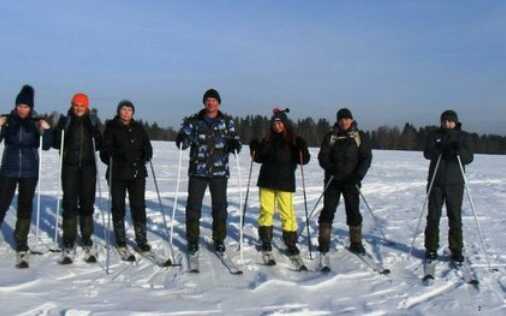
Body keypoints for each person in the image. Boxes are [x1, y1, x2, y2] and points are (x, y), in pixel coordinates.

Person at [175, 88, 241, 261]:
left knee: (220, 207)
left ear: (218, 103)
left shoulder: (227, 122)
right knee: (193, 207)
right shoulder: (194, 121)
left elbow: (235, 139)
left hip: (219, 173)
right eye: (208, 100)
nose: (211, 103)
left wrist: (235, 144)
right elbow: (185, 140)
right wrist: (181, 139)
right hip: (198, 171)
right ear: (204, 103)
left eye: (214, 100)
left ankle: (219, 239)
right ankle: (192, 239)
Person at [249, 108, 310, 266]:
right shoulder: (267, 139)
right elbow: (258, 158)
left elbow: (304, 160)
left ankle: (290, 242)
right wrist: (254, 147)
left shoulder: (293, 140)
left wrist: (303, 147)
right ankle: (266, 241)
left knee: (287, 213)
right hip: (267, 181)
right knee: (266, 211)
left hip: (285, 182)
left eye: (280, 123)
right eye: (275, 123)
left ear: (285, 124)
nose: (277, 126)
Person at [0, 85, 52, 268]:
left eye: (26, 106)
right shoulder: (7, 121)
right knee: (2, 203)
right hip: (8, 169)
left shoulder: (36, 122)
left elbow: (46, 146)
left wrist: (47, 131)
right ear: (16, 106)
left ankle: (21, 240)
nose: (23, 109)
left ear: (31, 108)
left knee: (24, 206)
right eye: (20, 106)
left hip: (30, 171)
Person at [317, 108, 372, 271]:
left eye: (347, 119)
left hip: (351, 181)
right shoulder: (331, 136)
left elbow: (366, 158)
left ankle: (356, 243)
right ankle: (324, 242)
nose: (344, 122)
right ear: (338, 121)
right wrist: (330, 168)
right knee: (328, 211)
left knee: (353, 211)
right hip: (333, 180)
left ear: (351, 120)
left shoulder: (358, 136)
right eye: (341, 119)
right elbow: (322, 156)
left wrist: (358, 176)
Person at [52, 93, 103, 264]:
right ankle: (68, 239)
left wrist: (97, 131)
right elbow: (55, 142)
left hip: (88, 168)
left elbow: (101, 143)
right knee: (69, 203)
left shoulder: (93, 120)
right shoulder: (66, 120)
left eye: (82, 105)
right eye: (76, 105)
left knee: (87, 202)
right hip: (69, 167)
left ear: (86, 106)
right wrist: (58, 130)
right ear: (72, 105)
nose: (78, 108)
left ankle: (87, 237)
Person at [100, 100, 153, 261]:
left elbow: (147, 146)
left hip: (137, 173)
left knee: (138, 206)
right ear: (118, 111)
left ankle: (141, 239)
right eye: (123, 110)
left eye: (129, 110)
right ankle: (121, 239)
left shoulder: (139, 128)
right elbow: (104, 152)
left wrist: (147, 153)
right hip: (117, 174)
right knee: (118, 206)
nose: (126, 112)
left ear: (133, 112)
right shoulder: (111, 127)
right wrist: (115, 155)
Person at [423, 110, 473, 263]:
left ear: (455, 122)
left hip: (455, 184)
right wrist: (438, 149)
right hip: (436, 182)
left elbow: (469, 157)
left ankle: (456, 249)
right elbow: (427, 153)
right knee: (433, 216)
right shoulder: (434, 135)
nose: (447, 124)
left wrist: (458, 150)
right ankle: (431, 248)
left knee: (455, 217)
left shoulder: (463, 136)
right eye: (444, 121)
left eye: (450, 121)